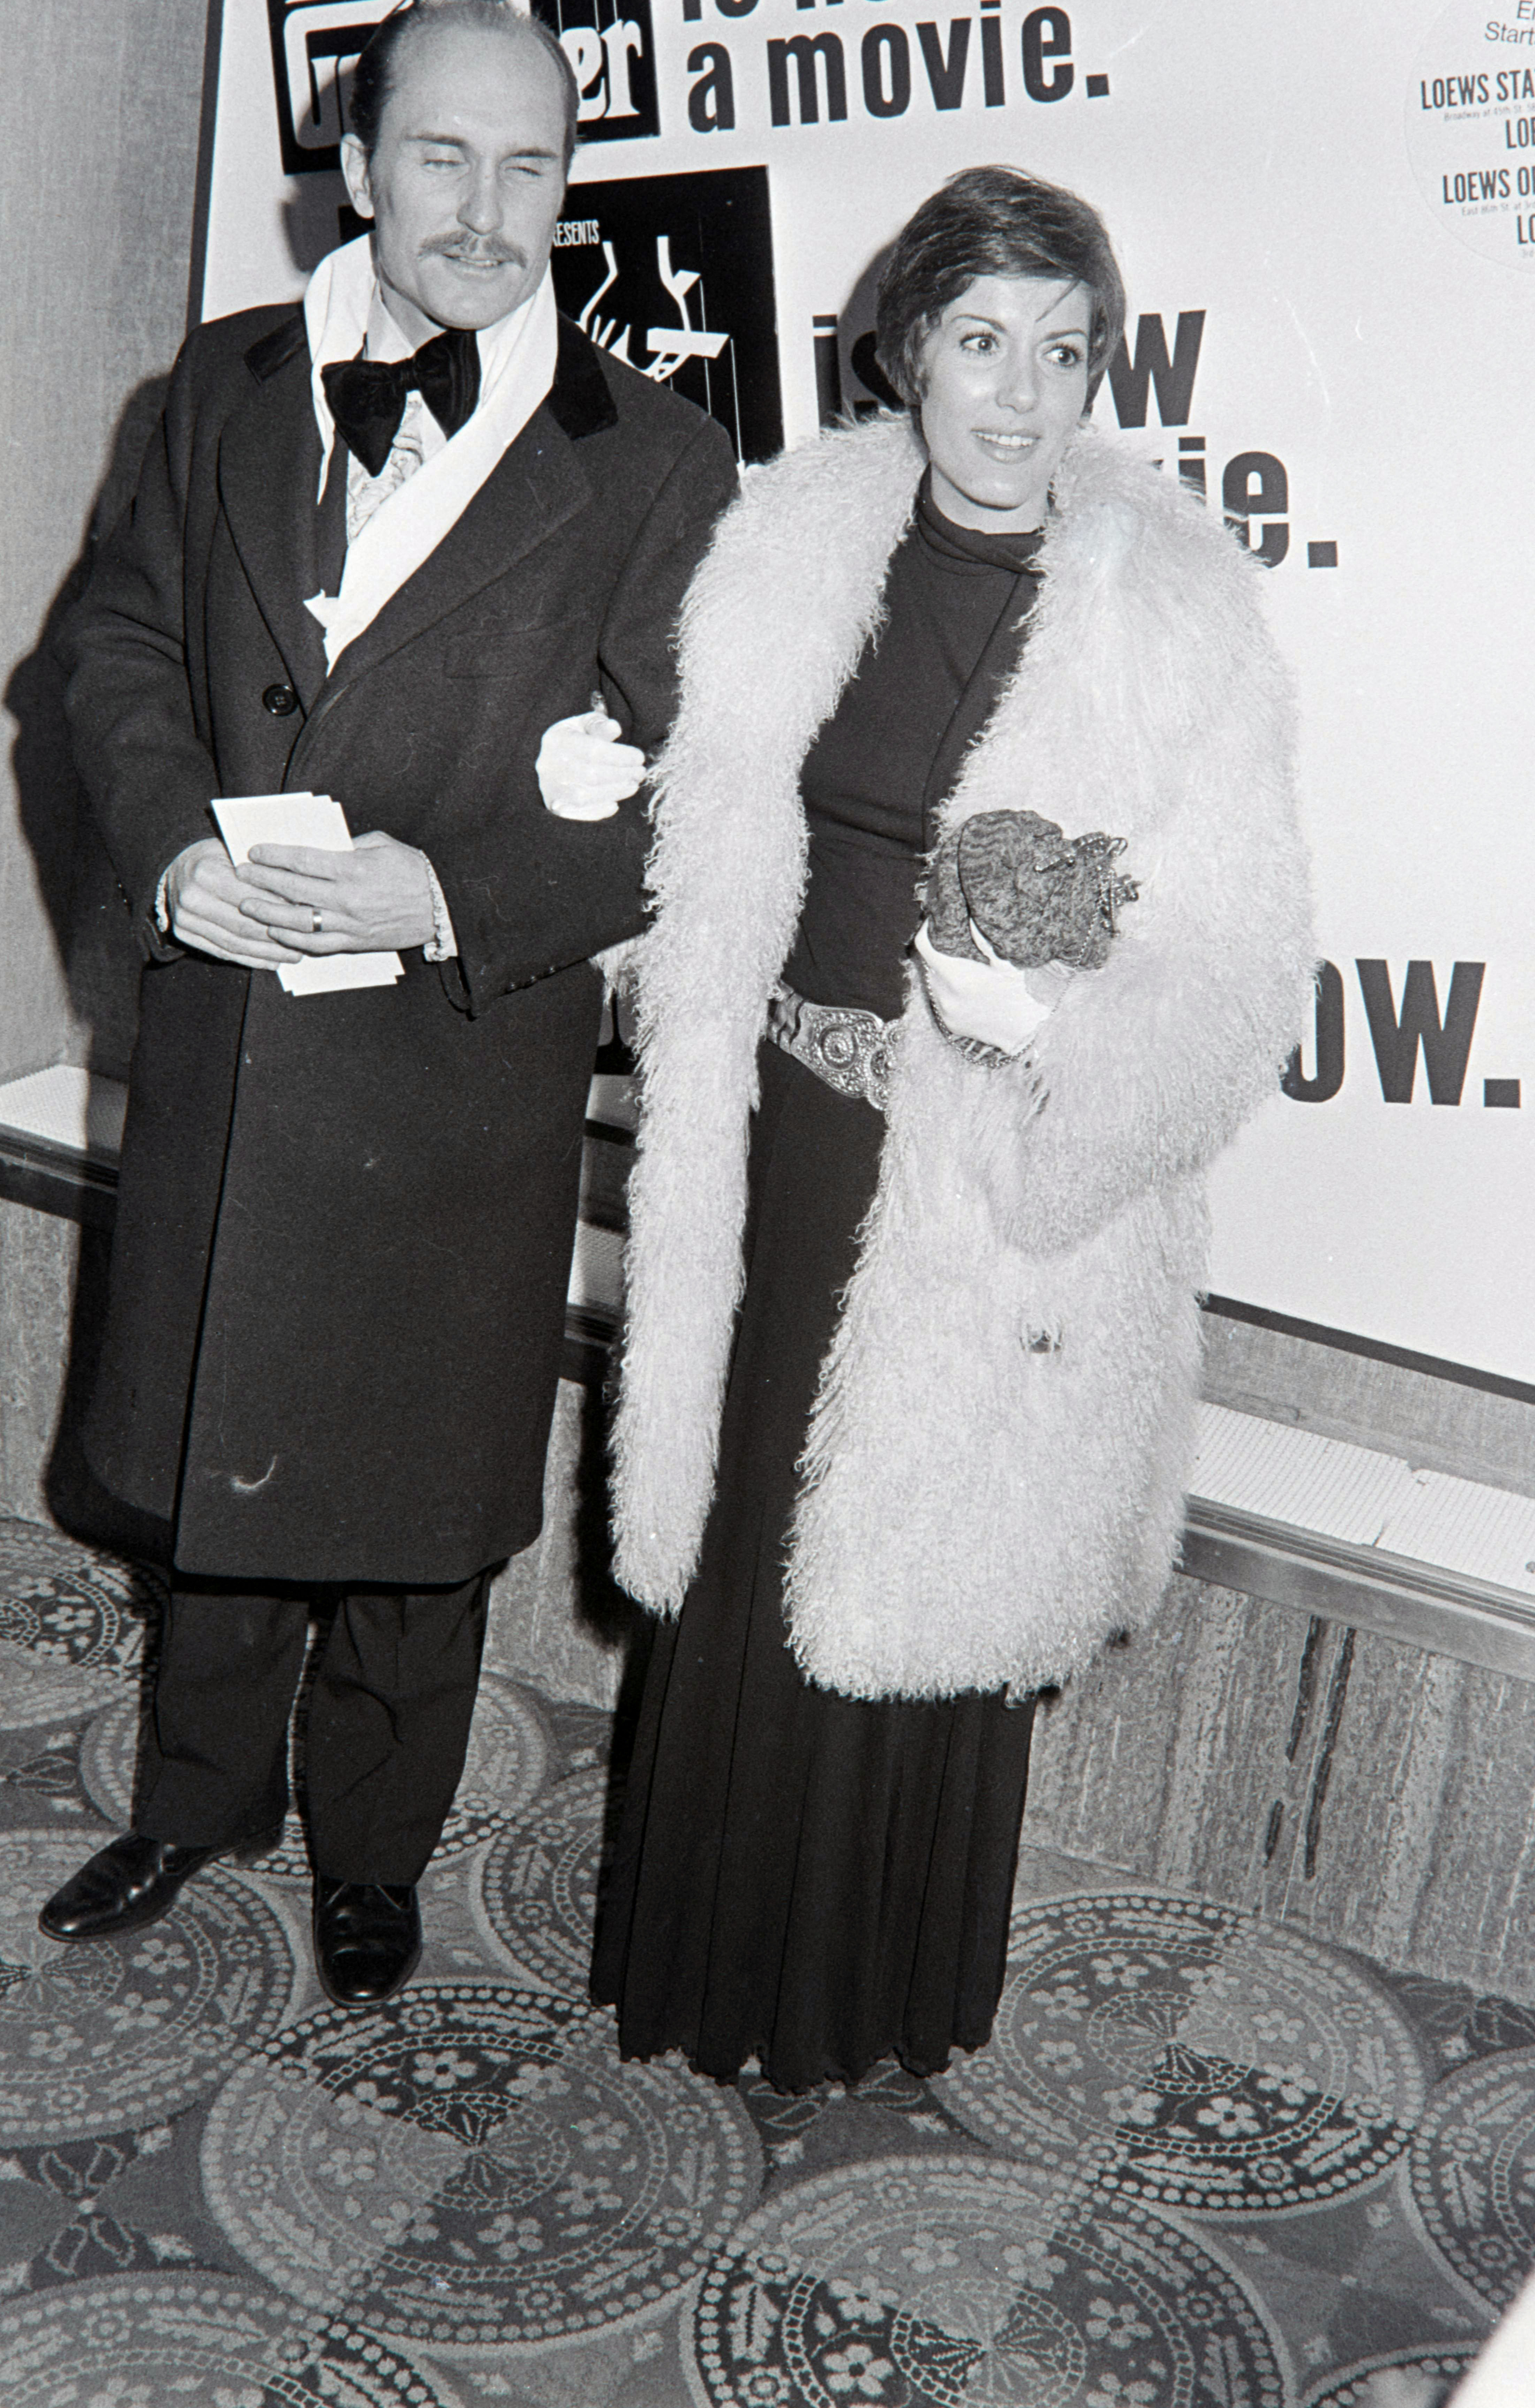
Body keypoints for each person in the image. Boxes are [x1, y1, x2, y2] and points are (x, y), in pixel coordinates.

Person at [39, 0, 735, 2006]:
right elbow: (113, 644)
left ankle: (373, 1854)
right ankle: (192, 1798)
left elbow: (706, 792)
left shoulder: (660, 460)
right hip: (236, 1038)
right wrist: (173, 844)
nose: (488, 210)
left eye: (533, 167)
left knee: (419, 1509)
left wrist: (460, 892)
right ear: (356, 168)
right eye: (444, 156)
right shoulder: (224, 381)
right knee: (220, 1466)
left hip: (457, 1072)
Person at [591, 165, 1313, 2091]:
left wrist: (1055, 1037)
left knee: (925, 1558)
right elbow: (699, 835)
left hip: (995, 1179)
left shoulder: (1174, 615)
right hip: (782, 1144)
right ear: (908, 346)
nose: (1020, 393)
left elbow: (1243, 982)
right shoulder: (787, 543)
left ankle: (871, 1989)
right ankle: (705, 1967)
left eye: (1064, 351)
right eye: (982, 341)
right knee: (753, 1547)